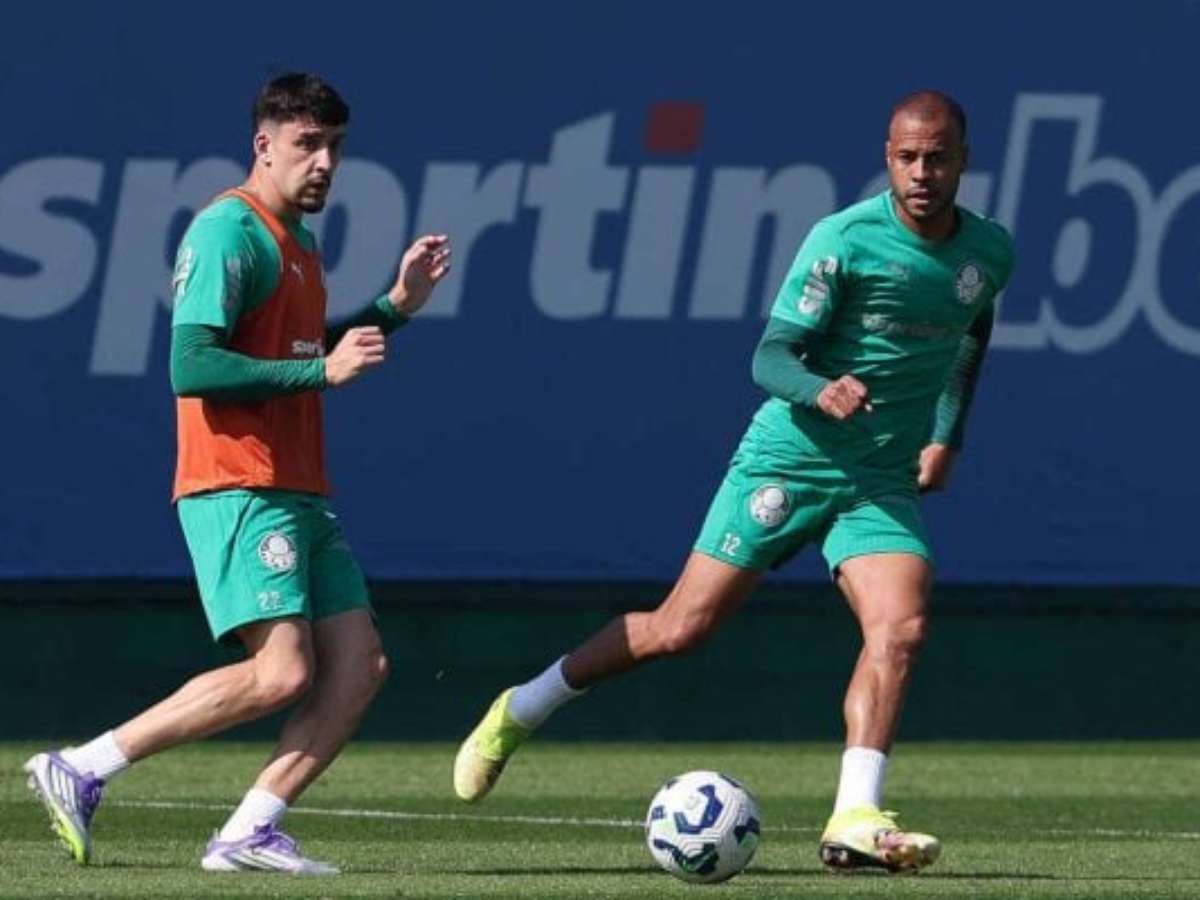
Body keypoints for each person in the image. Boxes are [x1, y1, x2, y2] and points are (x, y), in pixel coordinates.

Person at [453, 90, 1013, 873]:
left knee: (903, 629)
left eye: (938, 158)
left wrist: (947, 432)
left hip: (879, 476)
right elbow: (770, 356)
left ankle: (854, 814)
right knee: (681, 628)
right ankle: (523, 706)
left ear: (964, 161)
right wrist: (820, 389)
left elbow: (971, 328)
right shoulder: (843, 240)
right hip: (789, 460)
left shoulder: (990, 250)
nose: (922, 173)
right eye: (907, 158)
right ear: (888, 158)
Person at [24, 72, 451, 875]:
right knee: (283, 672)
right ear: (264, 145)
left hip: (298, 484)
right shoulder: (228, 230)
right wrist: (321, 373)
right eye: (307, 144)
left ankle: (249, 831)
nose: (324, 162)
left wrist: (394, 305)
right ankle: (81, 767)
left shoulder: (299, 242)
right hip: (238, 480)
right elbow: (192, 364)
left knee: (359, 667)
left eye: (335, 147)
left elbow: (302, 346)